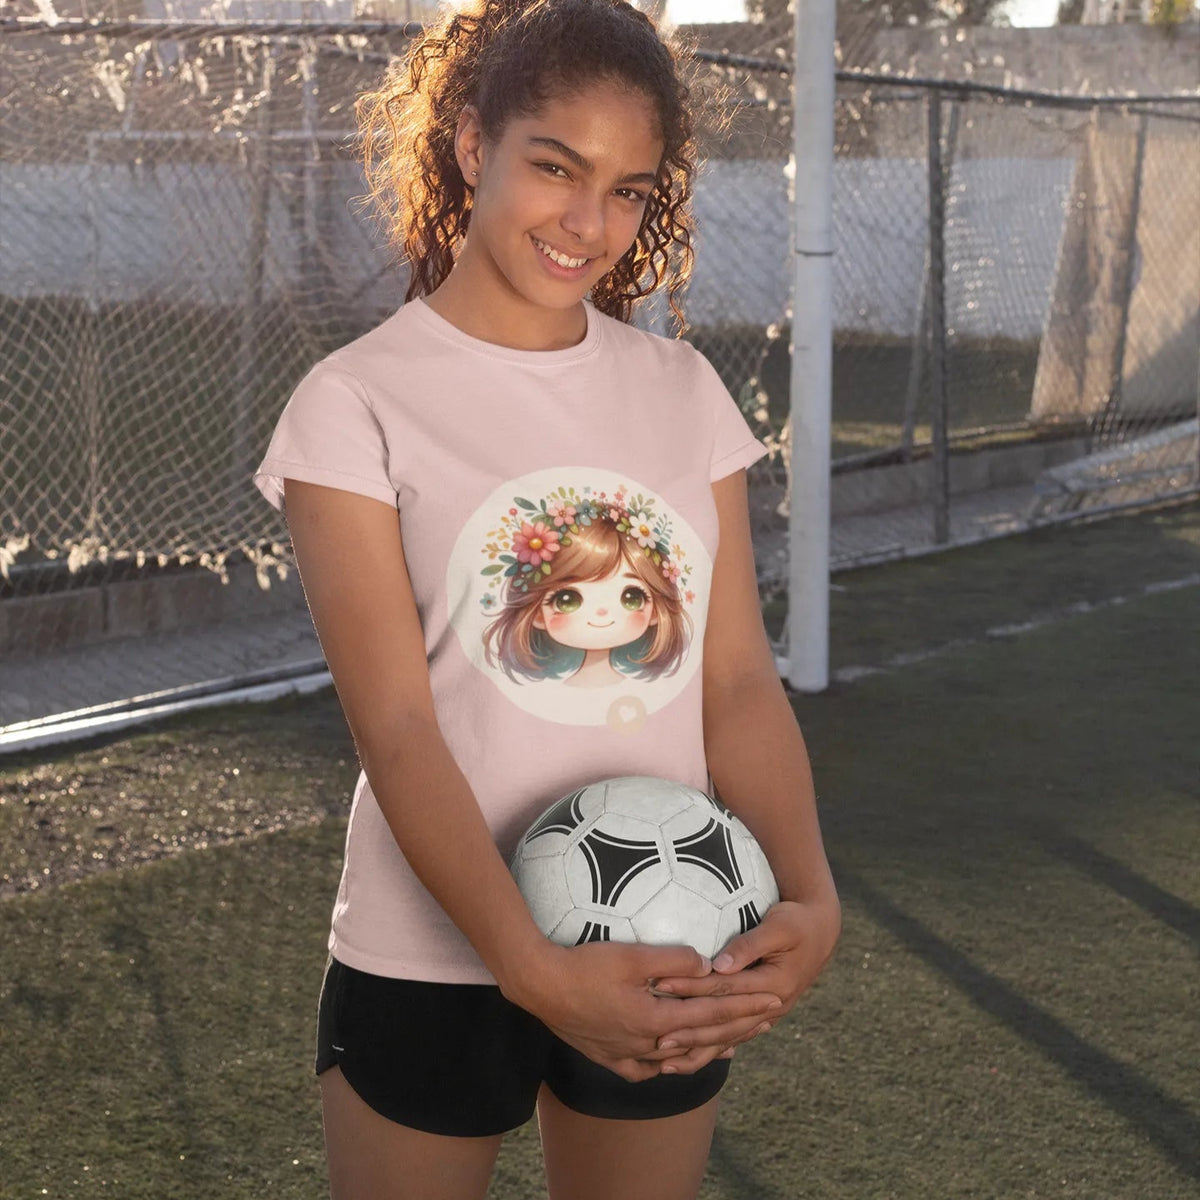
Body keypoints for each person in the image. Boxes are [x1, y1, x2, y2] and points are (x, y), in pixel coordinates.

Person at [253, 0, 841, 1196]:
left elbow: (733, 682)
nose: (589, 222)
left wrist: (813, 895)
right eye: (555, 167)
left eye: (628, 189)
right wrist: (528, 966)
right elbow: (399, 727)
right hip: (430, 957)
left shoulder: (681, 392)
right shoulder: (354, 403)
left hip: (668, 934)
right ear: (474, 146)